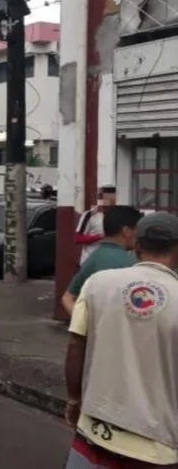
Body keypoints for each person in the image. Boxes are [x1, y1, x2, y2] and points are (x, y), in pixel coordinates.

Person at [64, 212, 178, 469]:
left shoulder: (97, 284)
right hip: (158, 448)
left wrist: (73, 399)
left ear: (136, 245)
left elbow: (75, 346)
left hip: (94, 432)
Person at [61, 205, 143, 316]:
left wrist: (84, 325)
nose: (139, 236)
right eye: (138, 230)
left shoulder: (95, 257)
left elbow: (67, 298)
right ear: (127, 231)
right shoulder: (130, 264)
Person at [75, 185, 117, 265]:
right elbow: (78, 238)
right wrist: (99, 237)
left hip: (110, 262)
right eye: (102, 199)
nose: (106, 203)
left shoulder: (118, 215)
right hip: (90, 262)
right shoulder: (90, 214)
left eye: (111, 200)